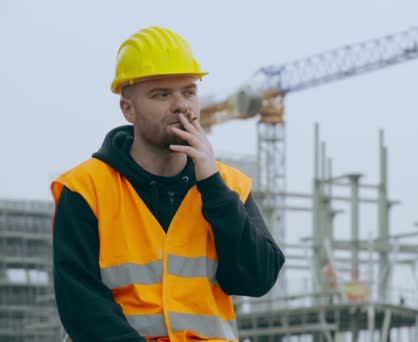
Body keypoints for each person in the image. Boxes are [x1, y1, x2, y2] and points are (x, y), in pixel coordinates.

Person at [51, 26, 285, 342]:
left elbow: (257, 279)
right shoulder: (85, 190)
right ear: (127, 108)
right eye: (162, 94)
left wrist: (213, 187)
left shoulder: (227, 186)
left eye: (188, 91)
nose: (181, 105)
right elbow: (81, 305)